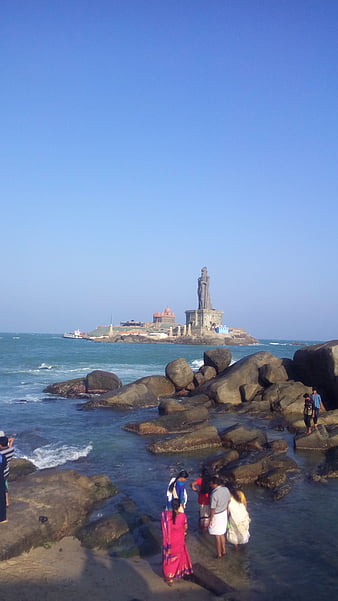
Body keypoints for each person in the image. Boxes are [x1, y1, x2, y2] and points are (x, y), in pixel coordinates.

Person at [161, 498, 193, 585]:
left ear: (171, 505)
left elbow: (163, 527)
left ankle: (169, 578)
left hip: (169, 542)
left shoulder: (165, 515)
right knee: (177, 558)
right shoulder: (183, 516)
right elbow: (185, 527)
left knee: (169, 559)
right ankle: (177, 573)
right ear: (179, 506)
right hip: (179, 541)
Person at [208, 475, 231, 558]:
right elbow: (229, 501)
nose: (210, 485)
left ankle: (219, 554)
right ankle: (224, 550)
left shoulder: (214, 494)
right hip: (224, 513)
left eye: (211, 484)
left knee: (217, 535)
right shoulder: (226, 489)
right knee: (222, 534)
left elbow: (213, 508)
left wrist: (211, 519)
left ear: (215, 484)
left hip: (217, 515)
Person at [0, 435, 15, 507]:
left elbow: (11, 439)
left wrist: (7, 441)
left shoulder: (1, 454)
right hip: (6, 472)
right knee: (5, 487)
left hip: (1, 473)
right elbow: (12, 440)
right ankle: (7, 502)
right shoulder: (11, 450)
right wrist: (8, 442)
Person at [0, 452, 8, 523]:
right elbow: (5, 465)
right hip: (1, 479)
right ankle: (3, 518)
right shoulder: (2, 456)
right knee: (2, 498)